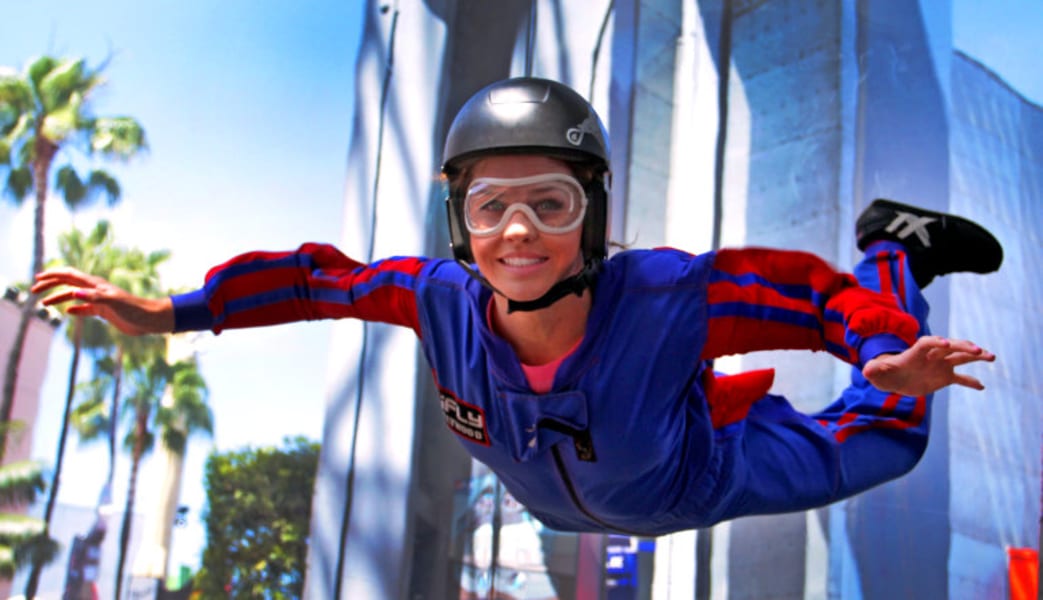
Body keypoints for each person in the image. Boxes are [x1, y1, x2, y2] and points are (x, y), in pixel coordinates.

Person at [32, 77, 1003, 536]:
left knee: (890, 440)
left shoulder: (664, 296)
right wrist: (168, 314)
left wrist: (882, 348)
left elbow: (803, 295)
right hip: (568, 505)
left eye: (552, 202)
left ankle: (899, 245)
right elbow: (313, 280)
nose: (518, 233)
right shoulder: (436, 299)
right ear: (459, 220)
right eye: (489, 206)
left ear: (593, 215)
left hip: (702, 478)